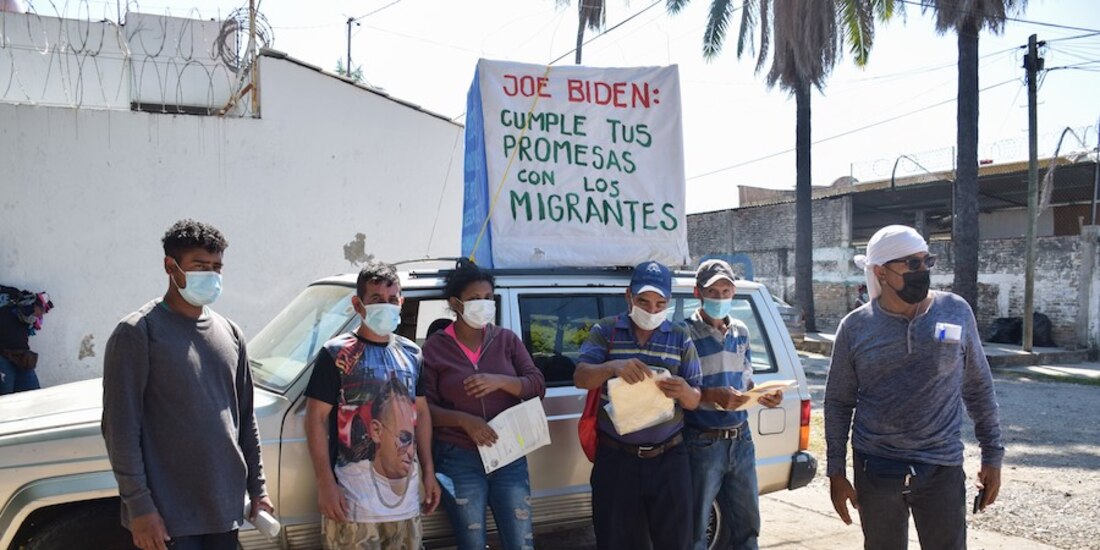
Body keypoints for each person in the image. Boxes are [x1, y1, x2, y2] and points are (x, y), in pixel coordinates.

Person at [824, 225, 1004, 550]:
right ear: (880, 272)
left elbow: (978, 386)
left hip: (941, 469)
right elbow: (838, 401)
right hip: (876, 469)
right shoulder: (854, 328)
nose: (923, 271)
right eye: (912, 264)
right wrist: (836, 472)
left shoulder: (956, 311)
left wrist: (993, 456)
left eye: (926, 261)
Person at [102, 219, 272, 550]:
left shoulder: (231, 333)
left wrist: (259, 489)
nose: (211, 275)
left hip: (224, 511)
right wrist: (140, 507)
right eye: (200, 266)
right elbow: (120, 430)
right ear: (171, 266)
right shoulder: (138, 333)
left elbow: (245, 420)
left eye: (217, 267)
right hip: (168, 520)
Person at [304, 260, 441, 549]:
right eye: (376, 299)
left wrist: (429, 472)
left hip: (405, 507)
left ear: (401, 302)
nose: (386, 305)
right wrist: (326, 483)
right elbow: (315, 419)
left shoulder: (412, 353)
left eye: (392, 299)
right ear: (358, 304)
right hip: (352, 507)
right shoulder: (336, 354)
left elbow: (422, 413)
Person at [574, 261, 702, 550]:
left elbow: (696, 398)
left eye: (660, 303)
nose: (652, 310)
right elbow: (581, 377)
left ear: (668, 302)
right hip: (617, 460)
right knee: (616, 541)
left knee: (676, 542)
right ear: (628, 296)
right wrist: (612, 367)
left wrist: (683, 390)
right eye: (644, 301)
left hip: (669, 458)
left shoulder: (680, 336)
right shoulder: (606, 331)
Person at [421, 259, 546, 550]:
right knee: (472, 541)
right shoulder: (435, 348)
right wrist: (464, 420)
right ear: (455, 303)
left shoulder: (506, 340)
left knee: (520, 540)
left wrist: (502, 381)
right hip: (458, 457)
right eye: (475, 299)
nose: (484, 304)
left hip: (509, 453)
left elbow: (536, 385)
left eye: (488, 298)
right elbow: (425, 410)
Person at [683, 259, 783, 550]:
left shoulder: (740, 330)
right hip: (701, 442)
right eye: (713, 292)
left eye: (726, 291)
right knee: (695, 531)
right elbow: (678, 394)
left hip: (741, 439)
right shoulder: (684, 334)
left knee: (747, 525)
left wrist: (763, 395)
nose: (721, 298)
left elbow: (746, 381)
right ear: (698, 293)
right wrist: (712, 395)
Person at [0, 284, 52, 395]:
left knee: (34, 398)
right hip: (2, 357)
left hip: (22, 355)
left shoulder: (13, 292)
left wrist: (36, 308)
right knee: (5, 401)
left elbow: (36, 307)